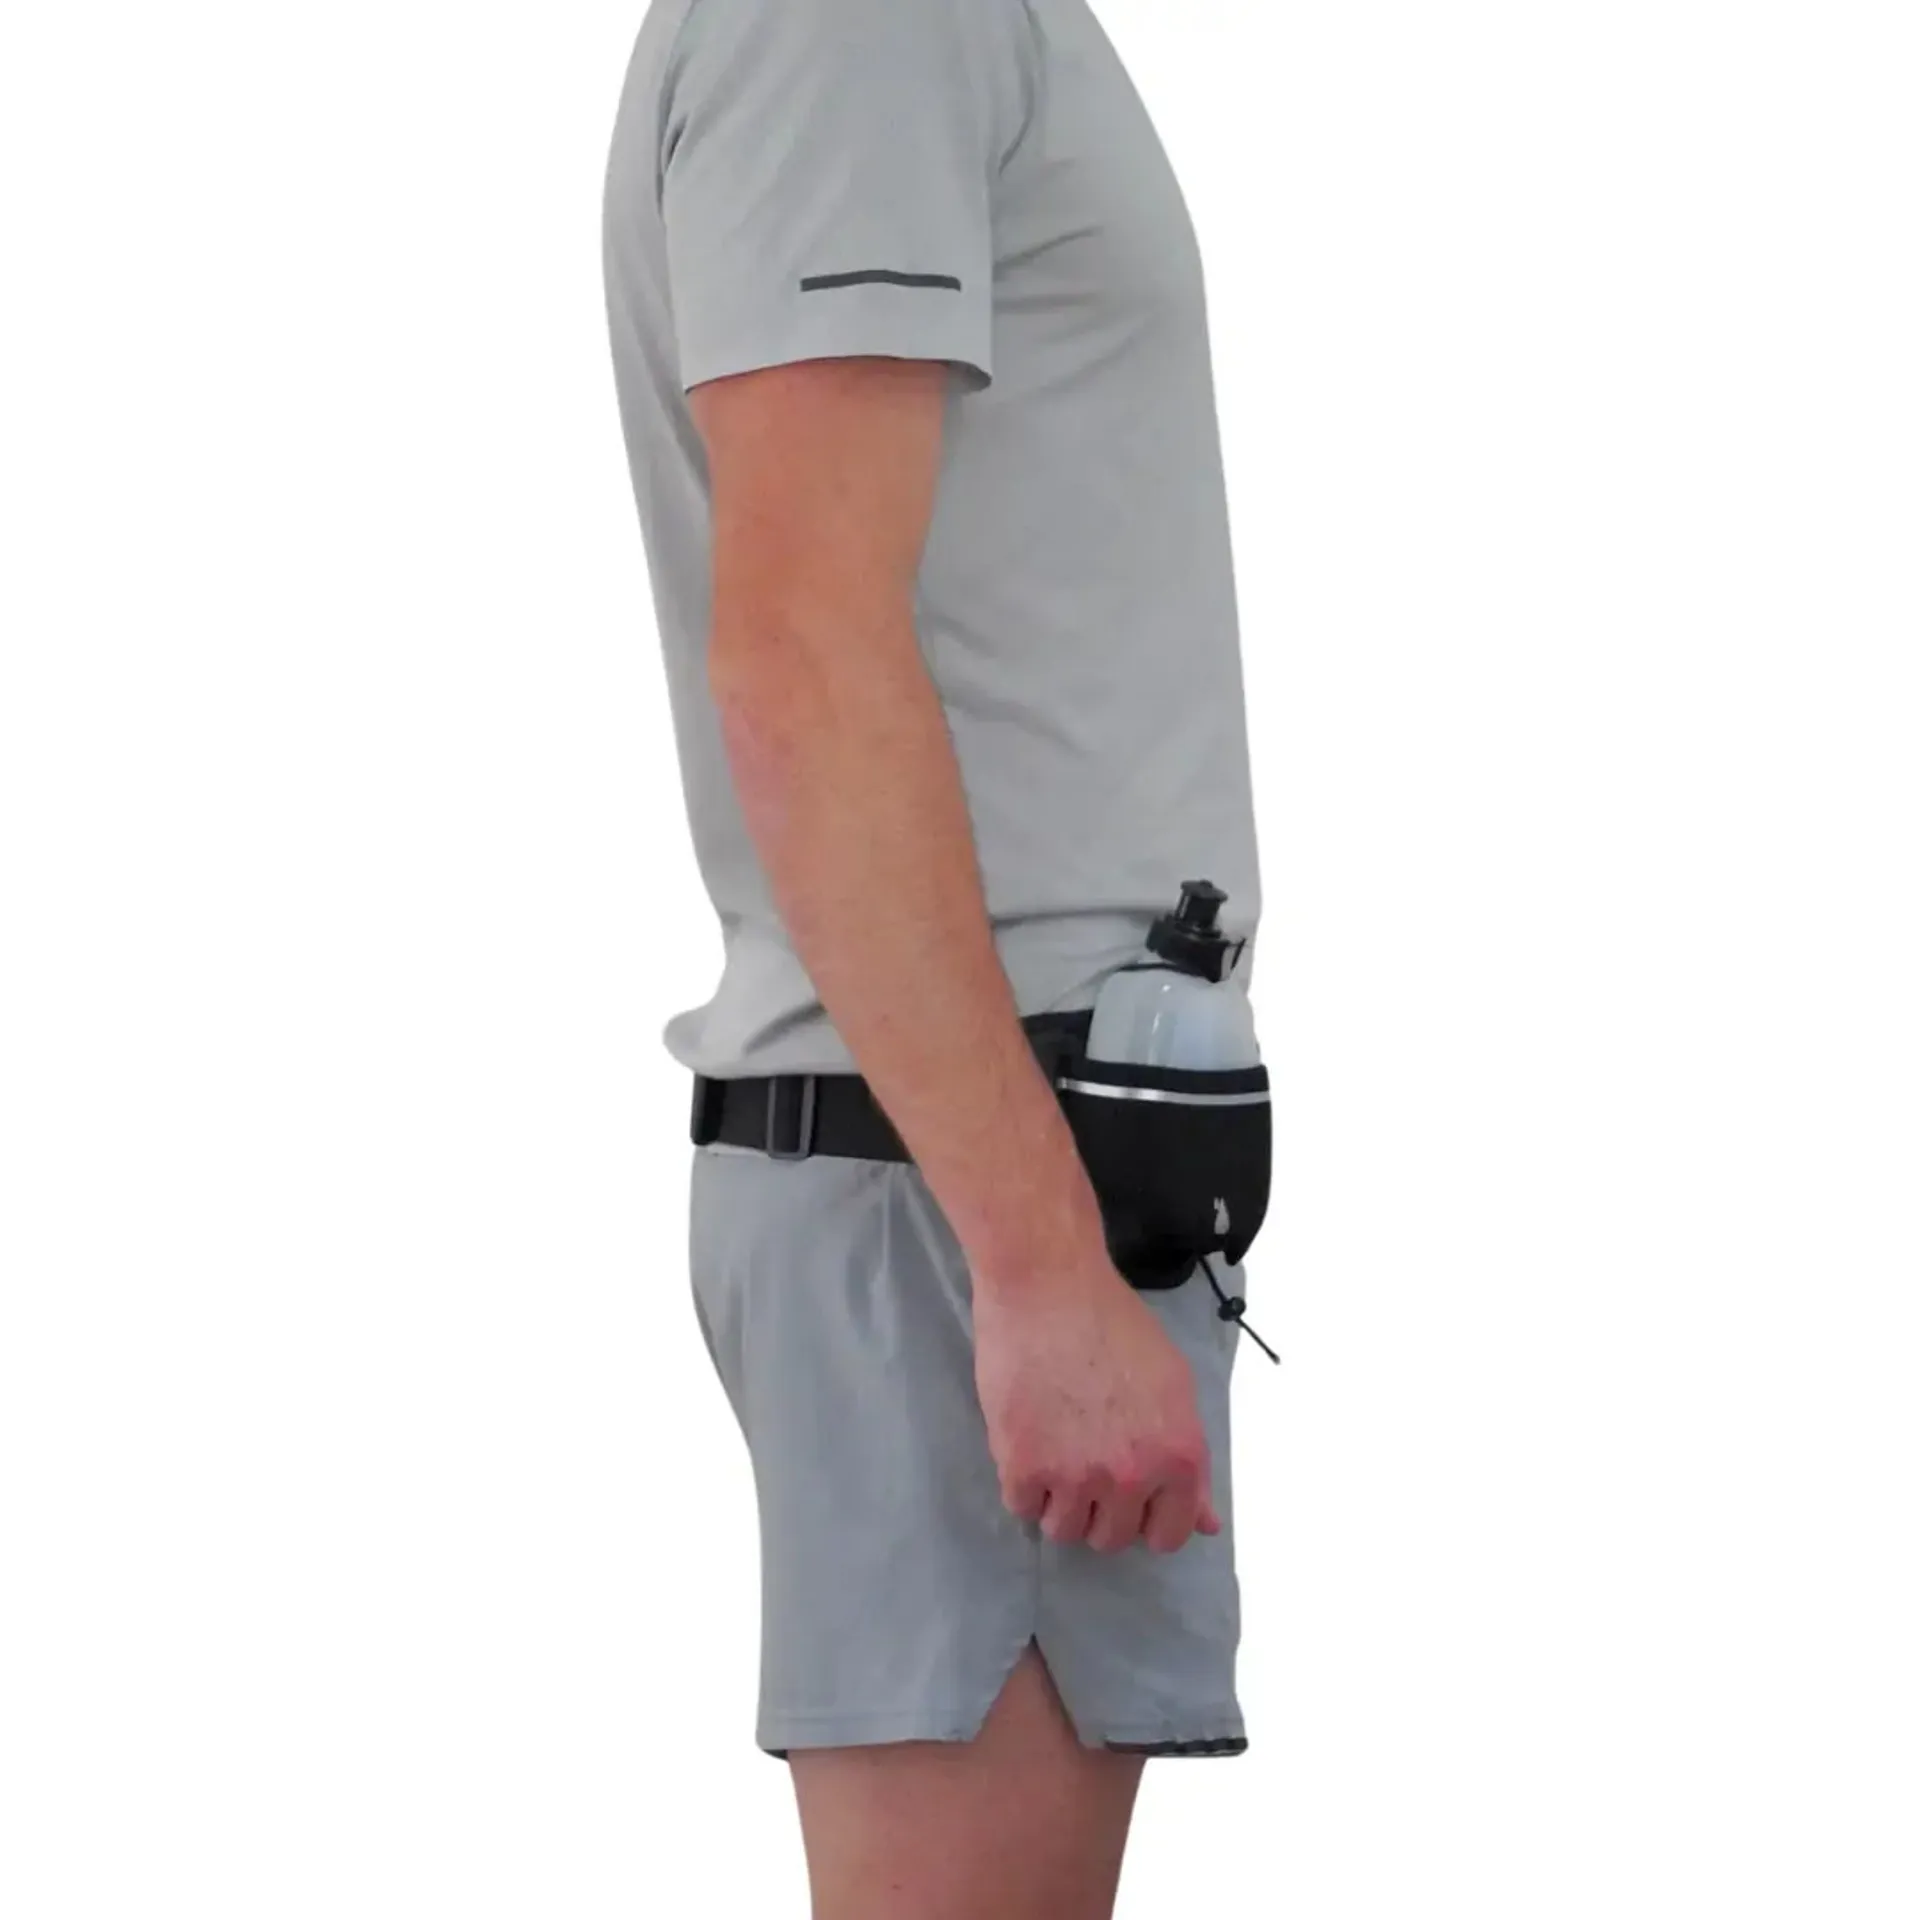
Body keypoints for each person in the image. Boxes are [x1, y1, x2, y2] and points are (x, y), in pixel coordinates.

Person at [603, 0, 1264, 1911]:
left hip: (1000, 1148)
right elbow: (801, 653)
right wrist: (1040, 1269)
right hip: (968, 1179)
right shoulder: (864, 18)